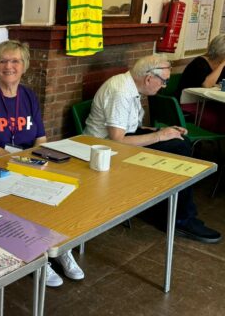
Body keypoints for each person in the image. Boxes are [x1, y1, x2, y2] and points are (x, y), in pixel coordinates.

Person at [0, 40, 84, 287]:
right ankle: (39, 257)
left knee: (57, 194)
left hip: (27, 163)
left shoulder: (28, 95)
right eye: (3, 61)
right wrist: (11, 160)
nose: (9, 66)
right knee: (24, 202)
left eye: (15, 60)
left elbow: (40, 138)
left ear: (24, 65)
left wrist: (38, 162)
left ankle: (60, 248)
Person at [84, 54, 221, 244]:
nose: (164, 85)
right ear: (149, 78)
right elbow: (116, 140)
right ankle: (180, 218)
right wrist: (159, 136)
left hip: (118, 140)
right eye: (163, 81)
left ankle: (167, 210)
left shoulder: (132, 86)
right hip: (104, 149)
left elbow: (129, 128)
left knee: (179, 140)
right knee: (179, 148)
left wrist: (161, 131)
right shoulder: (121, 91)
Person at [175, 34, 225, 133]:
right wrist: (223, 64)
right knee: (217, 117)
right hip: (188, 103)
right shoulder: (199, 63)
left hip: (209, 102)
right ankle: (208, 144)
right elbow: (207, 84)